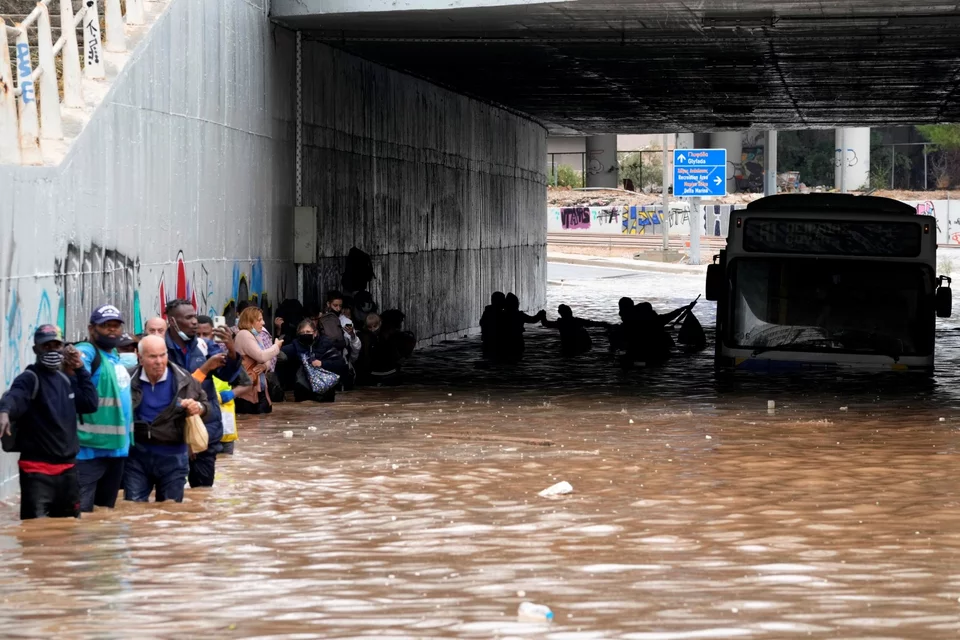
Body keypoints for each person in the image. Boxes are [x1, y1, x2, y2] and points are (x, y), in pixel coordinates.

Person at [0, 326, 98, 520]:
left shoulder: (65, 379)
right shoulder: (30, 378)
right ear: (37, 349)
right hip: (36, 472)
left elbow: (89, 403)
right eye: (47, 346)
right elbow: (15, 396)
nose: (53, 351)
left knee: (67, 532)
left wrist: (80, 369)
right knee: (35, 533)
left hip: (68, 472)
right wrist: (4, 411)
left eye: (57, 345)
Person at [164, 299, 240, 489]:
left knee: (202, 494)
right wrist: (205, 368)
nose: (194, 322)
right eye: (188, 317)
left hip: (206, 431)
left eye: (194, 316)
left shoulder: (204, 346)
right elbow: (175, 390)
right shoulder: (160, 351)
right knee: (171, 496)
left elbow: (228, 375)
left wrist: (231, 350)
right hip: (170, 434)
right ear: (172, 321)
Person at [125, 335, 210, 503]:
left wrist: (197, 408)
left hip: (173, 458)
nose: (159, 361)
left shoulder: (184, 379)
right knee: (133, 511)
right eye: (152, 356)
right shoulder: (126, 379)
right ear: (140, 358)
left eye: (162, 355)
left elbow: (207, 406)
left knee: (171, 512)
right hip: (137, 458)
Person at [74, 304, 134, 514]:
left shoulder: (114, 356)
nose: (112, 330)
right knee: (81, 517)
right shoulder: (88, 351)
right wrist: (76, 363)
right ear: (92, 329)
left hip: (116, 450)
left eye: (116, 325)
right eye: (105, 325)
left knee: (104, 516)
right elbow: (78, 363)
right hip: (89, 453)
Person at [195, 316, 244, 455]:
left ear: (213, 334)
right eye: (197, 335)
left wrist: (232, 350)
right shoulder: (185, 355)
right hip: (195, 420)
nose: (202, 338)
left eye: (205, 334)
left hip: (221, 424)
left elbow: (238, 378)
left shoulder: (219, 356)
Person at [281, 319, 348, 402]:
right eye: (302, 333)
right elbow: (281, 353)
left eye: (308, 332)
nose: (305, 334)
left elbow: (340, 363)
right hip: (304, 392)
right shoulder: (296, 345)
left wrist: (322, 363)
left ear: (315, 333)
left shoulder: (325, 344)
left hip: (325, 391)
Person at [233, 306, 283, 414]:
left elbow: (266, 358)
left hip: (258, 386)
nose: (263, 323)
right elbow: (262, 356)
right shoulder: (244, 335)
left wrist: (264, 366)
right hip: (247, 389)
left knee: (262, 418)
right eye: (259, 320)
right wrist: (276, 347)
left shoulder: (256, 336)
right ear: (250, 321)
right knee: (251, 423)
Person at [541, 304, 612, 356]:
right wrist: (605, 324)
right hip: (580, 348)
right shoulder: (576, 321)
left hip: (567, 347)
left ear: (560, 313)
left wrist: (542, 316)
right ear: (570, 313)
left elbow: (545, 323)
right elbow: (592, 323)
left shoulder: (561, 323)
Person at [480, 292, 506, 358]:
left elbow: (481, 322)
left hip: (487, 342)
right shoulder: (501, 314)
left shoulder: (488, 310)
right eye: (503, 300)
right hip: (496, 343)